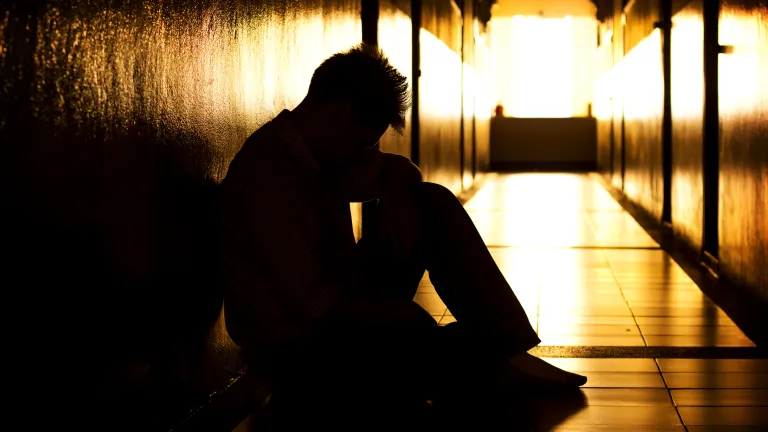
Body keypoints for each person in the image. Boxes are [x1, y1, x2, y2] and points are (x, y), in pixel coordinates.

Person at [218, 44, 586, 425]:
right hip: (301, 349)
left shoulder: (319, 152)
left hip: (340, 308)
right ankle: (486, 356)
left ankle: (501, 348)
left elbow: (401, 170)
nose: (363, 153)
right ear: (337, 116)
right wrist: (398, 315)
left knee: (429, 202)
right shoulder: (269, 177)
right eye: (363, 142)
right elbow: (312, 306)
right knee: (432, 345)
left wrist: (394, 192)